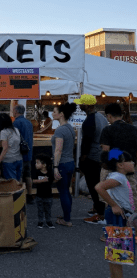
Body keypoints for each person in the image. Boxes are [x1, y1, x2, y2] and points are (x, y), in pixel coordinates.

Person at [95, 149, 136, 278]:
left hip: (118, 215)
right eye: (129, 160)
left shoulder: (117, 176)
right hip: (119, 217)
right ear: (121, 164)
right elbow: (99, 187)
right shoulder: (118, 177)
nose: (133, 163)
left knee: (115, 249)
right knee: (119, 251)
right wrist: (114, 205)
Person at [74, 94, 109, 224]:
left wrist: (82, 159)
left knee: (93, 185)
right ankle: (97, 208)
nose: (79, 105)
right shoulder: (101, 117)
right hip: (100, 156)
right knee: (98, 183)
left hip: (92, 157)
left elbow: (86, 143)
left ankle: (100, 215)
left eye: (81, 104)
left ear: (88, 106)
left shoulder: (89, 121)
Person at [101, 102, 137, 207]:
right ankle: (132, 219)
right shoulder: (133, 129)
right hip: (130, 167)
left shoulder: (108, 130)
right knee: (132, 196)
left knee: (111, 196)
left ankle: (113, 219)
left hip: (113, 169)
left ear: (109, 116)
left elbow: (106, 150)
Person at [51, 102, 77, 227]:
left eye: (54, 112)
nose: (52, 113)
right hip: (70, 162)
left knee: (63, 192)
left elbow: (58, 150)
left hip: (62, 164)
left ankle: (67, 220)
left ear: (61, 114)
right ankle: (67, 216)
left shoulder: (60, 130)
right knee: (66, 191)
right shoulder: (70, 128)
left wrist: (55, 167)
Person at [13, 104, 34, 204]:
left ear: (16, 112)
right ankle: (30, 195)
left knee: (20, 175)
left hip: (19, 153)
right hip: (28, 153)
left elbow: (14, 139)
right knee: (28, 175)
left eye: (13, 111)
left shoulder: (16, 123)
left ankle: (20, 196)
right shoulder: (29, 122)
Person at [0, 113, 23, 181]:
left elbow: (5, 149)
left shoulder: (4, 132)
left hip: (9, 160)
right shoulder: (16, 130)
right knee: (18, 182)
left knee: (11, 183)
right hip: (19, 158)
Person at [33, 153, 55, 229]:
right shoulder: (36, 172)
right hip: (39, 195)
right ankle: (40, 221)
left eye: (37, 163)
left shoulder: (50, 172)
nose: (35, 164)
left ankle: (49, 221)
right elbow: (34, 181)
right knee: (40, 210)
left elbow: (52, 180)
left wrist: (56, 179)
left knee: (48, 209)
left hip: (48, 195)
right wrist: (42, 181)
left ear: (44, 165)